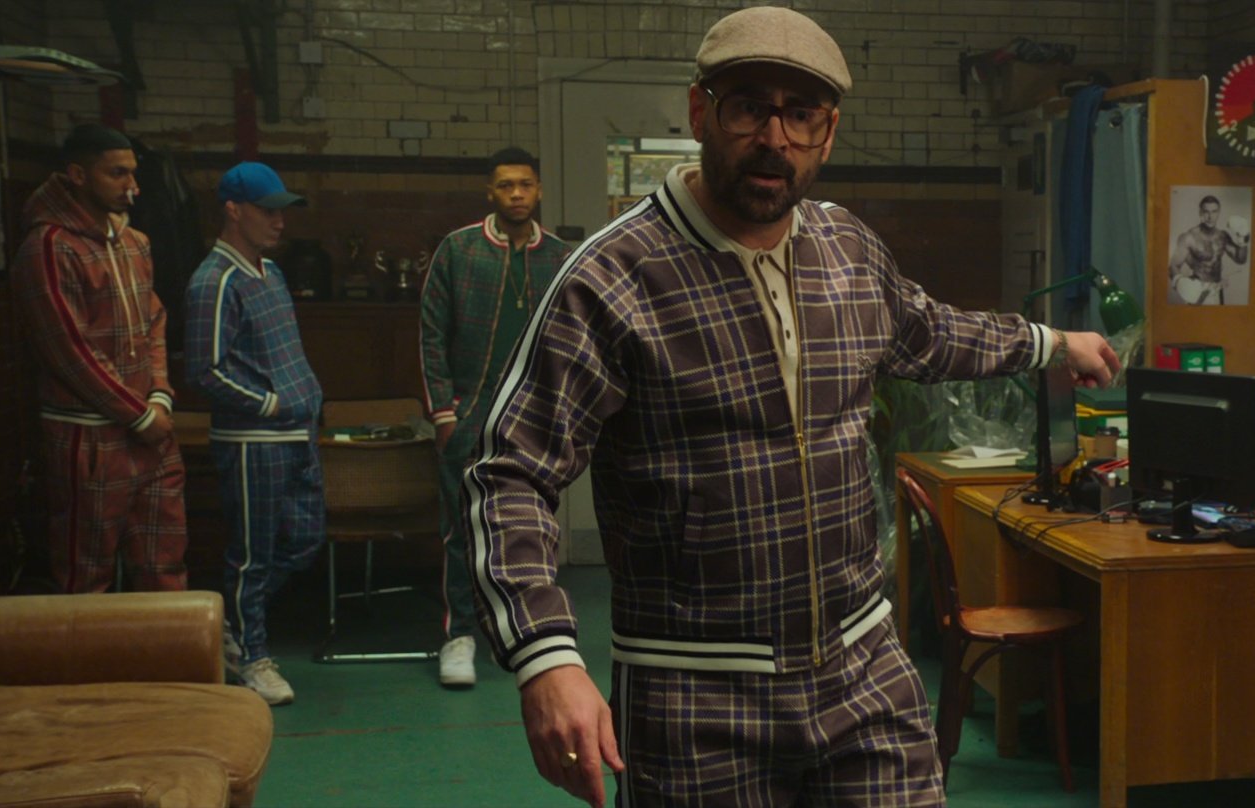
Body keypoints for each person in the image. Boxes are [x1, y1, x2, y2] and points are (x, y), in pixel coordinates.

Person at [460, 7, 1118, 806]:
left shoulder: (848, 250)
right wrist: (545, 656)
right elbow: (511, 473)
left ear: (827, 133)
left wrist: (1053, 343)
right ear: (701, 113)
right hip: (694, 694)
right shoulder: (612, 279)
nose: (775, 138)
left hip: (863, 670)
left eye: (801, 114)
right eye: (749, 108)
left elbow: (930, 333)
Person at [420, 146, 572, 688]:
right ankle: (460, 635)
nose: (516, 194)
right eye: (506, 185)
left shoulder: (559, 257)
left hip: (535, 415)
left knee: (533, 526)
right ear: (491, 192)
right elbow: (431, 334)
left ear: (539, 190)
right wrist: (444, 412)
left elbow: (571, 338)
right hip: (469, 412)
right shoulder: (459, 250)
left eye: (525, 185)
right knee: (462, 528)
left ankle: (527, 633)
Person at [13, 123, 187, 594]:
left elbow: (154, 321)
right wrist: (139, 415)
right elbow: (68, 350)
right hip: (88, 436)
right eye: (117, 173)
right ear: (77, 175)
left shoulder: (135, 243)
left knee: (164, 567)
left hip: (152, 432)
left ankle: (167, 646)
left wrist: (159, 396)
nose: (133, 186)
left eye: (133, 173)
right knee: (85, 577)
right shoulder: (49, 247)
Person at [184, 161, 324, 706]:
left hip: (297, 435)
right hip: (253, 442)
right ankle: (249, 654)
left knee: (304, 541)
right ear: (233, 210)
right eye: (267, 211)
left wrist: (305, 401)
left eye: (282, 211)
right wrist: (270, 403)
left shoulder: (272, 272)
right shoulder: (213, 281)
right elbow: (204, 371)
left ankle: (232, 625)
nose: (279, 221)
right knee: (252, 556)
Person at [1167, 194, 1248, 304]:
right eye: (1206, 212)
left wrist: (1243, 239)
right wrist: (1179, 282)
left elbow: (1241, 259)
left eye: (1214, 212)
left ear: (1219, 213)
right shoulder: (1189, 237)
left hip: (1217, 290)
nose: (1210, 217)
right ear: (1200, 212)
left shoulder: (1223, 236)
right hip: (1196, 291)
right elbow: (1173, 265)